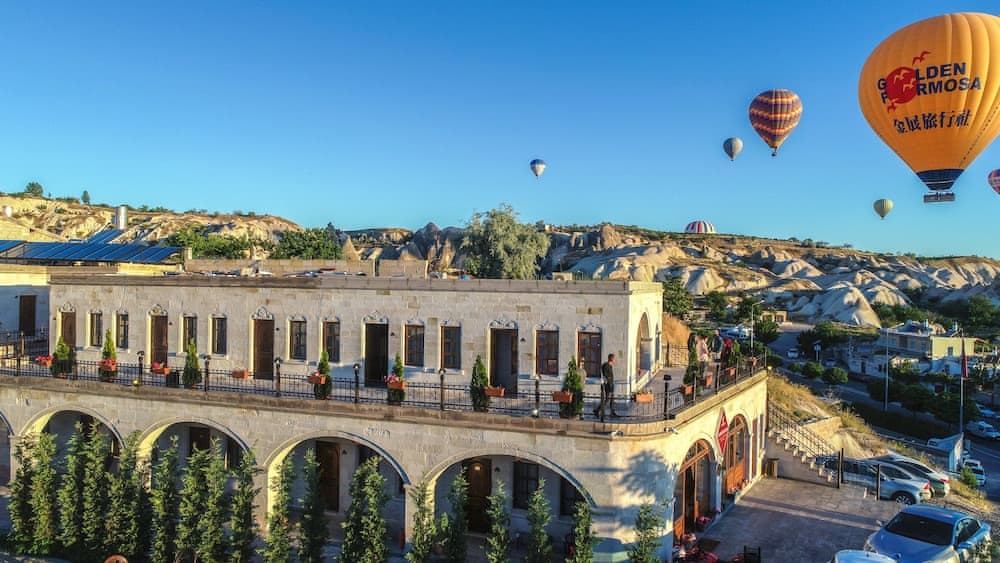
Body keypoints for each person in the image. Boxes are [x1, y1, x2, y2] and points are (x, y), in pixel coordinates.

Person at [594, 353, 619, 418]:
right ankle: (597, 410)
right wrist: (609, 381)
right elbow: (605, 375)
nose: (615, 360)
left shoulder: (610, 366)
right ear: (611, 359)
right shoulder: (606, 365)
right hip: (608, 384)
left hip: (611, 384)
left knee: (612, 399)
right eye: (614, 359)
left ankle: (612, 413)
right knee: (607, 399)